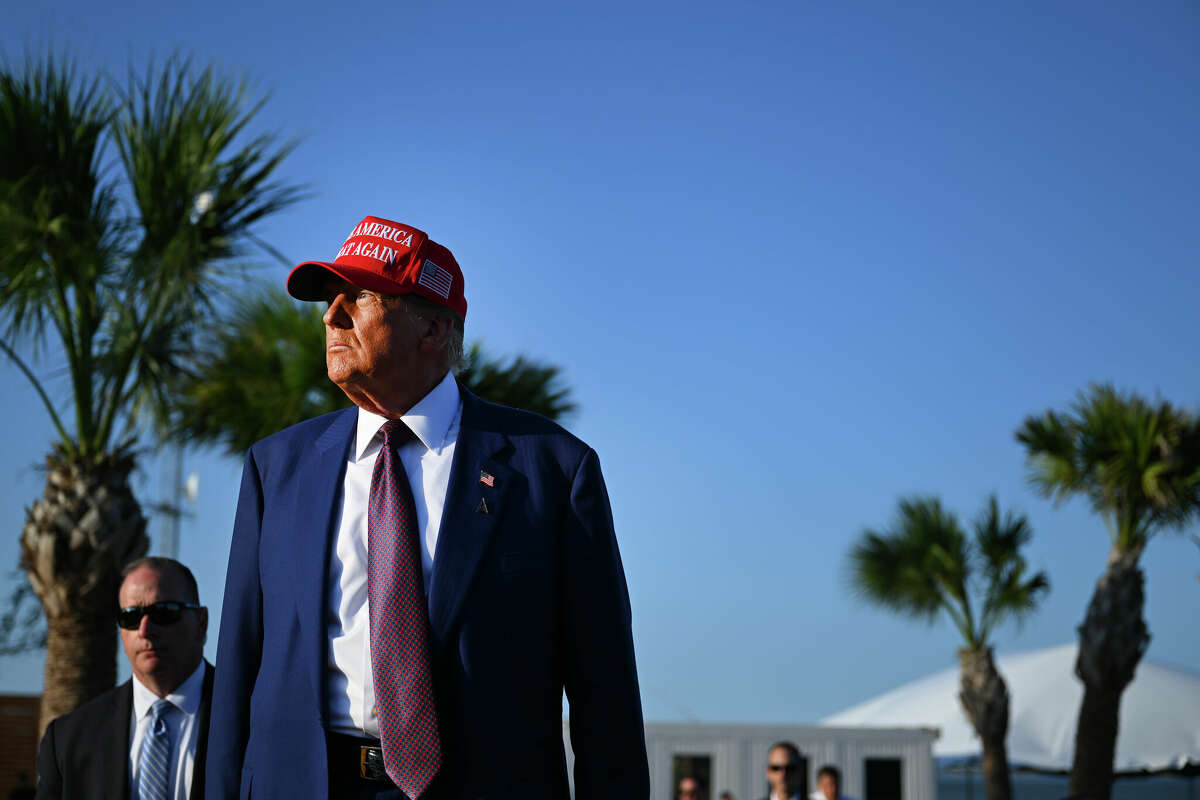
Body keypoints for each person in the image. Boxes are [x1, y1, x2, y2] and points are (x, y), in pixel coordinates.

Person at [206, 216, 649, 799]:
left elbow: (604, 688)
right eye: (329, 299)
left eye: (358, 297)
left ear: (435, 328)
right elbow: (239, 666)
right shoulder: (277, 467)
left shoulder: (553, 470)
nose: (330, 316)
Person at [35, 557, 213, 799]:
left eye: (164, 612)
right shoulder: (69, 739)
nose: (144, 630)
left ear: (201, 623)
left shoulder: (249, 717)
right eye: (130, 616)